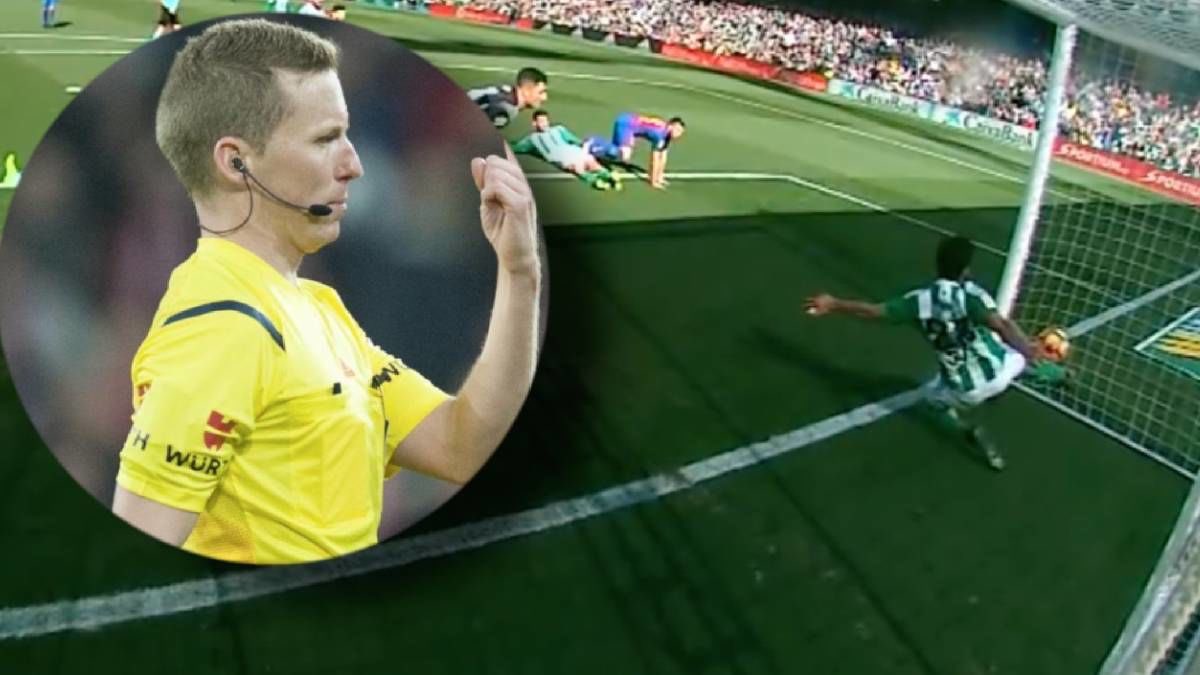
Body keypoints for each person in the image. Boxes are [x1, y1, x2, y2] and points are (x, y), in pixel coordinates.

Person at [111, 19, 541, 564]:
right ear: (236, 162)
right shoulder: (224, 329)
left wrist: (519, 273)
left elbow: (459, 444)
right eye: (324, 140)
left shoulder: (315, 307)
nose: (353, 165)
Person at [804, 236, 1066, 471]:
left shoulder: (919, 301)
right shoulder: (971, 295)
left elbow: (873, 312)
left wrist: (834, 303)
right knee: (1016, 357)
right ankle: (1059, 375)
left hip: (966, 391)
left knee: (934, 401)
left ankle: (969, 430)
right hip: (1001, 371)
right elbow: (1003, 326)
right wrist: (1028, 349)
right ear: (965, 270)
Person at [511, 110, 621, 191]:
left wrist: (585, 144)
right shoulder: (532, 139)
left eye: (545, 121)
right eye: (541, 121)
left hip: (574, 151)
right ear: (534, 123)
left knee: (590, 162)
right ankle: (597, 181)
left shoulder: (559, 129)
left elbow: (574, 139)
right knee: (577, 168)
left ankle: (608, 175)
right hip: (561, 159)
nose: (544, 123)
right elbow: (516, 148)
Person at [586, 113, 685, 189]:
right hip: (626, 125)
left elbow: (663, 155)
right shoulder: (660, 134)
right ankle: (593, 143)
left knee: (616, 151)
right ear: (671, 125)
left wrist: (660, 176)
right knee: (624, 155)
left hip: (627, 124)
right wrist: (653, 181)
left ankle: (597, 148)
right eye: (677, 130)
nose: (679, 134)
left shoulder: (666, 133)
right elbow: (654, 159)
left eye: (681, 132)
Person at [467, 67, 549, 129]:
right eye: (541, 92)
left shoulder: (508, 91)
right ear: (526, 90)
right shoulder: (506, 109)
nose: (544, 98)